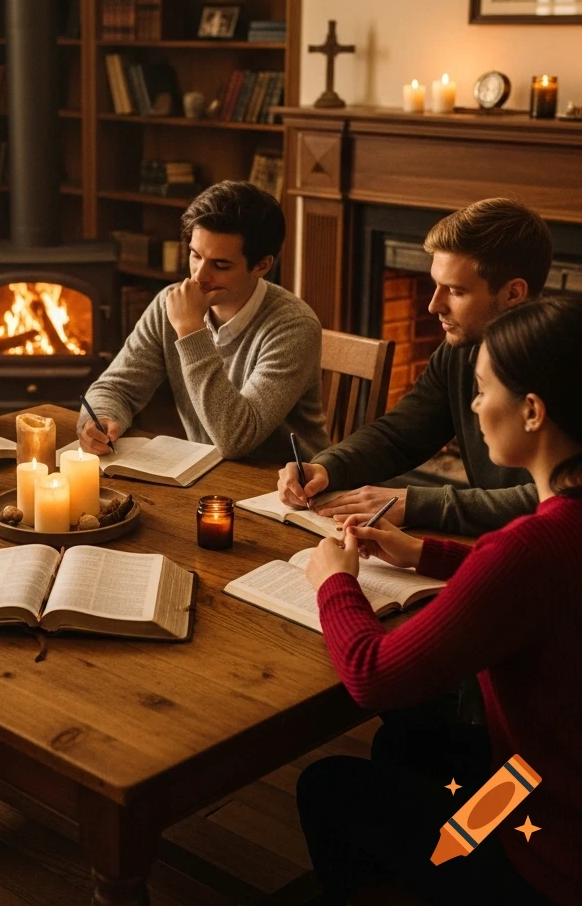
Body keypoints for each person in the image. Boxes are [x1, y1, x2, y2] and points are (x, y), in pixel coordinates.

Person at [296, 294, 581, 906]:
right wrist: (421, 552)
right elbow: (533, 585)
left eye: (481, 391)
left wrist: (333, 582)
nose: (474, 407)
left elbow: (371, 676)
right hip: (556, 778)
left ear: (532, 411)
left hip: (546, 839)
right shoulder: (555, 531)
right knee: (409, 740)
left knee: (328, 785)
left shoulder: (527, 548)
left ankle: (456, 866)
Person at [278, 197, 552, 535]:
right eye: (435, 284)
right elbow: (400, 435)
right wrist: (328, 467)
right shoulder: (461, 351)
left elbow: (561, 501)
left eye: (455, 291)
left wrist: (415, 502)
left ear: (513, 294)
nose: (434, 305)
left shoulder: (563, 365)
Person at [79, 180, 329, 462]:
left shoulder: (294, 326)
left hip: (288, 491)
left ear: (262, 265)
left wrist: (189, 329)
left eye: (220, 265)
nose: (199, 276)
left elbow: (236, 439)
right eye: (195, 255)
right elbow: (115, 388)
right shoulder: (169, 304)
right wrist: (99, 418)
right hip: (209, 477)